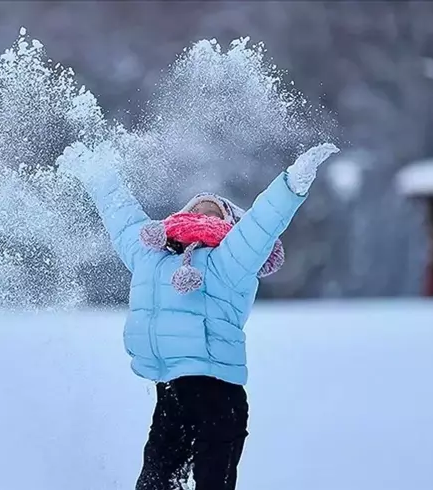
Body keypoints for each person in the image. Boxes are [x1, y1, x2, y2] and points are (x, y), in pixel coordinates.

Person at [57, 140, 339, 490]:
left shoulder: (231, 260)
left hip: (219, 396)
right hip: (171, 393)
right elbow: (122, 217)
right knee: (154, 483)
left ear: (231, 225)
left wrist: (292, 182)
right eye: (196, 211)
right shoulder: (151, 258)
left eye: (214, 213)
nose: (203, 217)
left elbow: (263, 224)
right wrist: (97, 175)